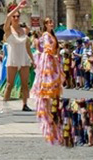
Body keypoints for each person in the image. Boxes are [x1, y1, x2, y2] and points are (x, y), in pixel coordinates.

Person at [31, 17, 63, 145]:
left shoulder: (51, 34)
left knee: (53, 81)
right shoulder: (45, 35)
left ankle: (51, 109)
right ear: (45, 25)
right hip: (48, 59)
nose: (51, 23)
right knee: (48, 79)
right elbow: (45, 47)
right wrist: (52, 53)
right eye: (49, 22)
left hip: (52, 59)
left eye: (51, 22)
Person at [0, 0, 34, 112]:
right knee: (9, 84)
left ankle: (25, 104)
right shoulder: (8, 30)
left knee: (25, 84)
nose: (16, 18)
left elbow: (28, 47)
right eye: (14, 16)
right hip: (13, 59)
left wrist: (33, 60)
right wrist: (18, 7)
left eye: (18, 16)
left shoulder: (24, 30)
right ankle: (4, 105)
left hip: (24, 59)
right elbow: (8, 16)